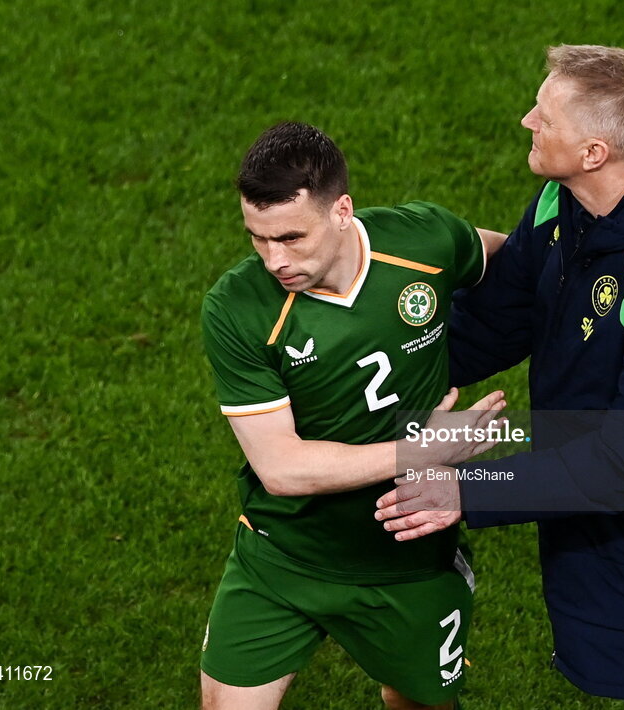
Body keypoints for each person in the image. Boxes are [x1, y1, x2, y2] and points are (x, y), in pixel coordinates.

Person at [376, 45, 624, 710]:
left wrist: (464, 489)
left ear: (595, 152)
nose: (526, 120)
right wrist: (373, 367)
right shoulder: (564, 203)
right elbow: (495, 319)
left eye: (546, 116)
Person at [199, 121, 507, 710]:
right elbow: (282, 469)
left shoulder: (423, 241)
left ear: (342, 210)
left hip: (408, 559)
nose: (274, 259)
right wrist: (425, 449)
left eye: (291, 237)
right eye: (257, 239)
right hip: (284, 554)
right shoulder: (237, 308)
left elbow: (518, 271)